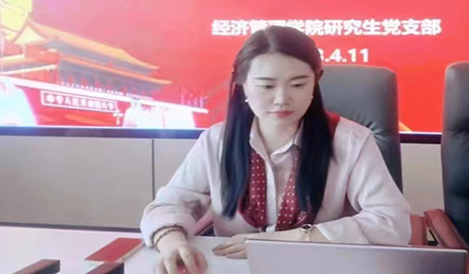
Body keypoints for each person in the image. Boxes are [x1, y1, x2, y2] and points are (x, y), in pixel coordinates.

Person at [141, 26, 411, 274]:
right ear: (242, 83)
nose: (282, 99)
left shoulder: (351, 141)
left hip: (320, 267)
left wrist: (285, 240)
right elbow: (169, 204)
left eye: (298, 85)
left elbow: (392, 223)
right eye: (267, 86)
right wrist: (172, 242)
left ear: (316, 82)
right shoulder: (217, 141)